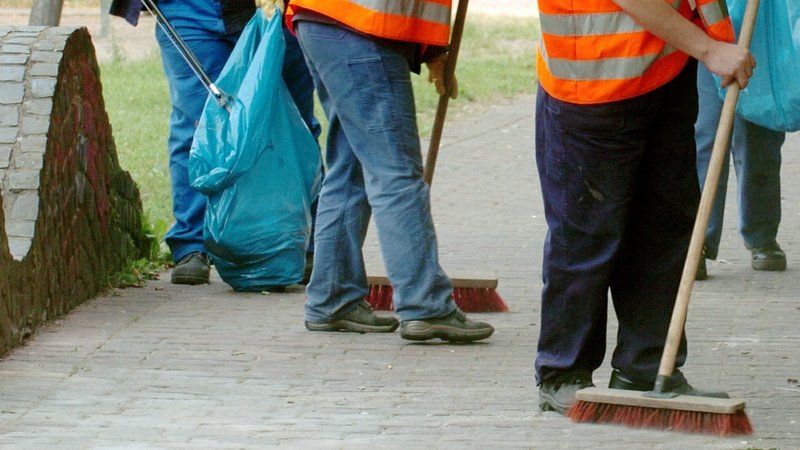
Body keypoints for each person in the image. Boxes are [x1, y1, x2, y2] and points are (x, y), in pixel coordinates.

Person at [533, 0, 755, 414]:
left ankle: (646, 365)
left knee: (663, 231)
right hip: (594, 82)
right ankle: (563, 371)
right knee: (586, 238)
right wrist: (710, 49)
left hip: (664, 68)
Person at [283, 0, 494, 342]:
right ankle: (426, 306)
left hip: (322, 20)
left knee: (350, 168)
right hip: (362, 28)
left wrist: (434, 52)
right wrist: (435, 51)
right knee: (396, 175)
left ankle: (332, 297)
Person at [109, 0, 321, 285]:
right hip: (188, 9)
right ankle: (192, 244)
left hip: (282, 9)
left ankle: (305, 242)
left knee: (294, 122)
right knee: (198, 125)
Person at [695, 10, 787, 279]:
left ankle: (761, 235)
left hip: (763, 37)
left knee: (760, 140)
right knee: (707, 138)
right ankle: (698, 239)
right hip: (711, 36)